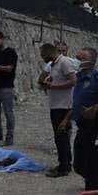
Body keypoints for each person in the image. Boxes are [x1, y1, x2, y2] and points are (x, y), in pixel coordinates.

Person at [59, 47, 98, 189]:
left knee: (93, 165)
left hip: (96, 127)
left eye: (79, 58)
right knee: (79, 165)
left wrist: (95, 108)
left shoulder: (97, 78)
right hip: (82, 127)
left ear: (88, 63)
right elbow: (77, 103)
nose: (74, 60)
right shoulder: (80, 78)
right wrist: (66, 120)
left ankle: (95, 193)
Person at [39, 43, 78, 178]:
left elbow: (73, 81)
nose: (42, 57)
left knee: (62, 137)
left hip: (64, 106)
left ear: (49, 52)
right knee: (59, 137)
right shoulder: (54, 64)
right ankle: (64, 163)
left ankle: (64, 166)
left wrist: (54, 86)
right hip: (56, 105)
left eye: (42, 54)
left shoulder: (64, 62)